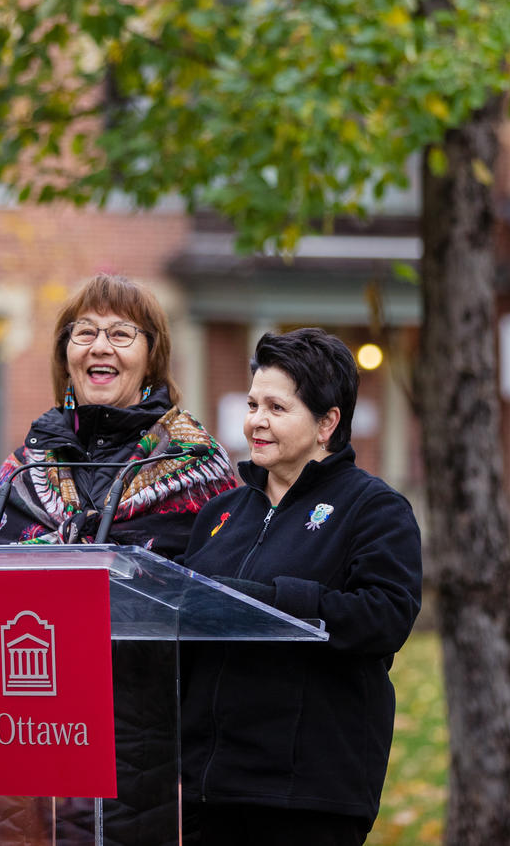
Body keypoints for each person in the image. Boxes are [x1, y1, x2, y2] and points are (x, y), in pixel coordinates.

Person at [0, 273, 238, 845]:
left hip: (140, 766)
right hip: (18, 753)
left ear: (152, 357)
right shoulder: (23, 470)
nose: (100, 346)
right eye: (85, 333)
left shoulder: (199, 473)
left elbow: (220, 609)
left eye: (122, 334)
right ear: (66, 354)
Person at [178, 328, 423, 846]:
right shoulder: (220, 515)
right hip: (208, 791)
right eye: (252, 404)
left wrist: (271, 604)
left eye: (276, 407)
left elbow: (386, 616)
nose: (255, 421)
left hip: (307, 797)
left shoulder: (374, 509)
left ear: (327, 422)